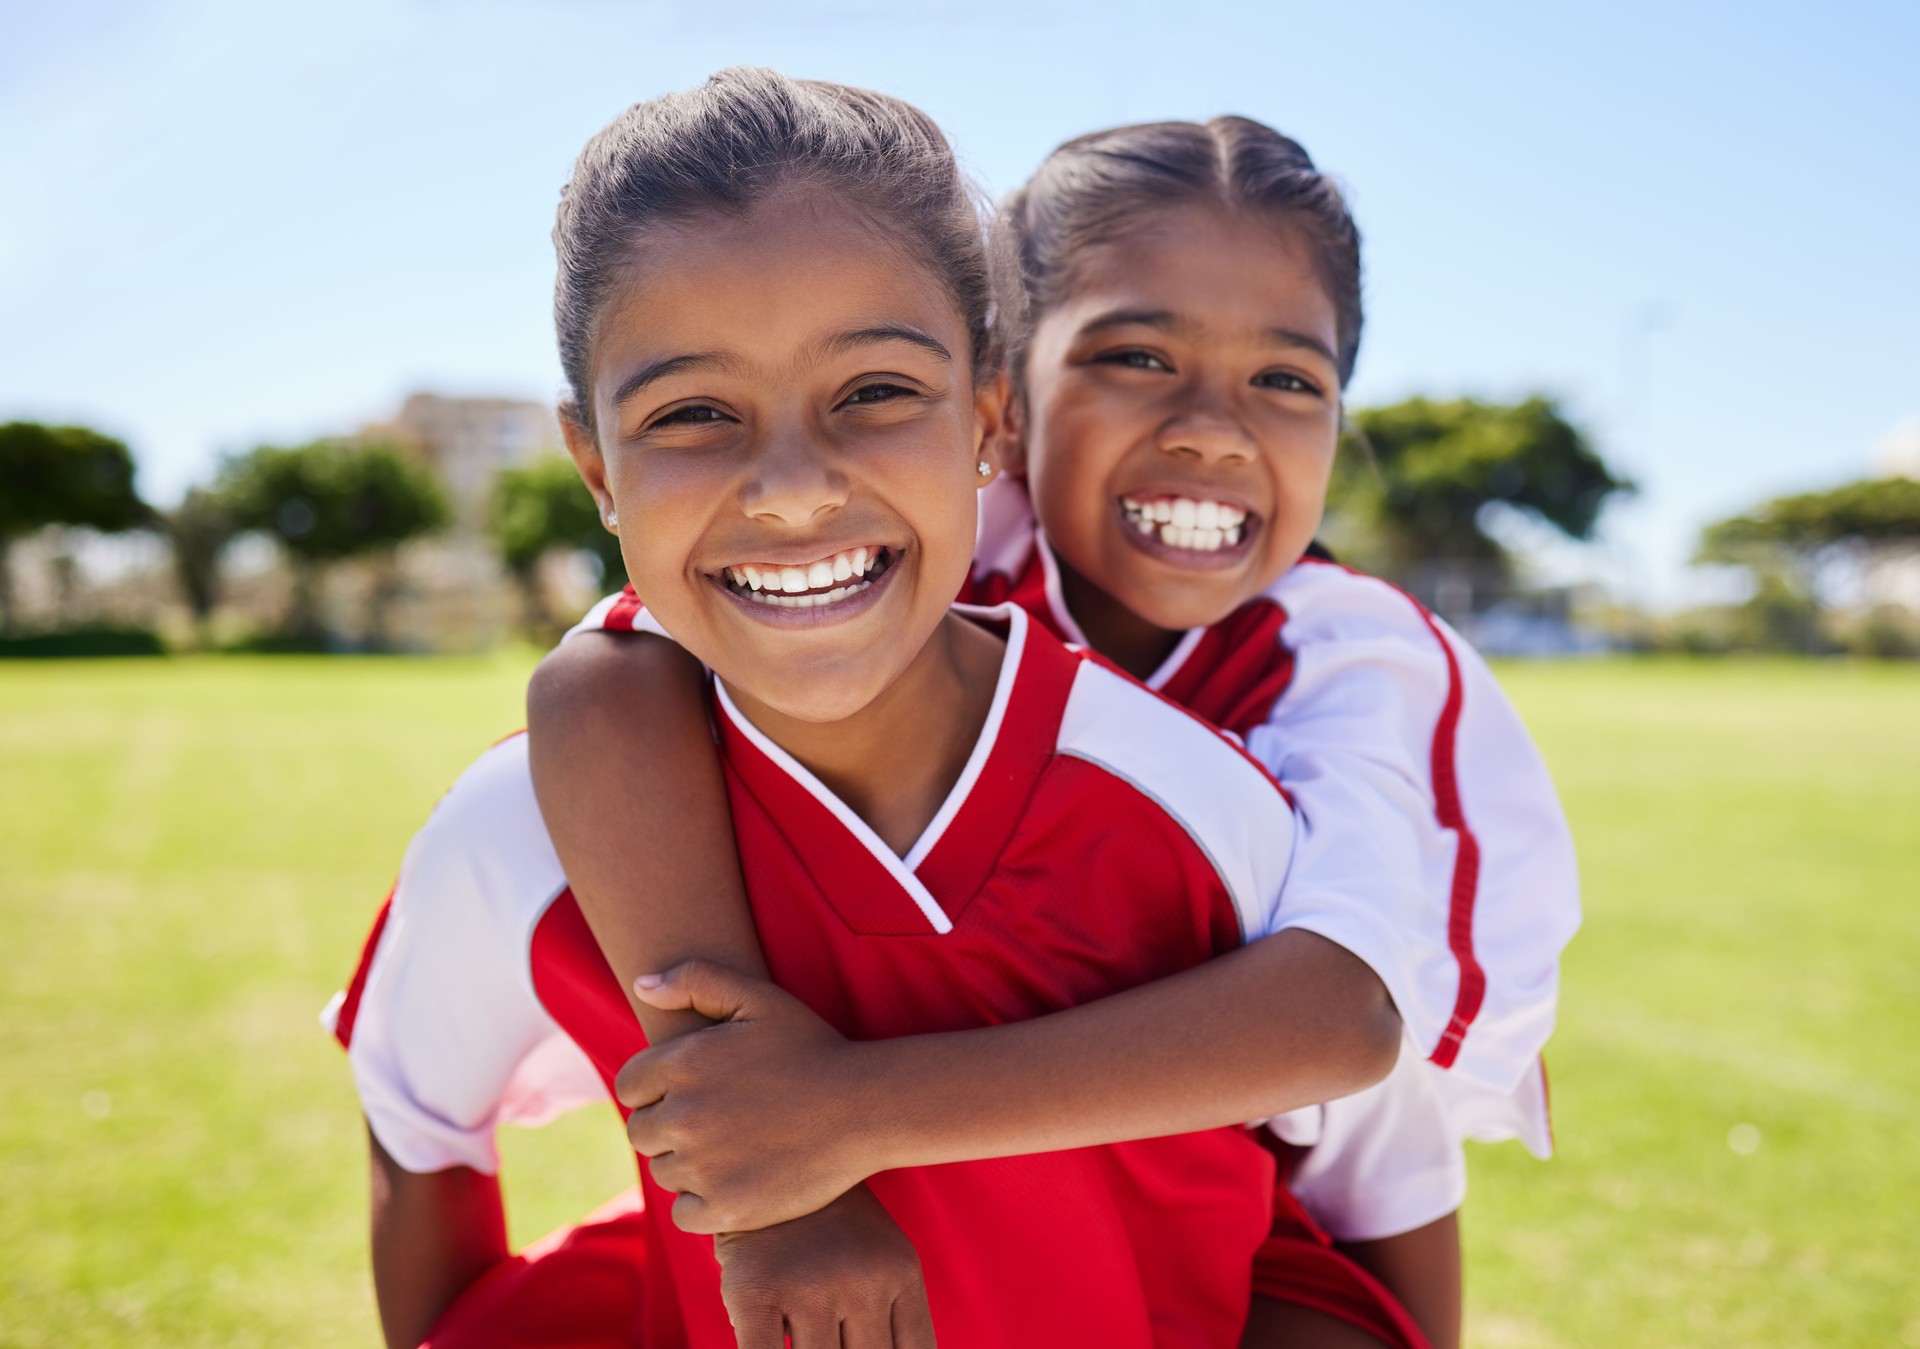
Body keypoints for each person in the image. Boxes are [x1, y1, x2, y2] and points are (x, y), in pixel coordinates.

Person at [330, 69, 1413, 1349]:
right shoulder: (525, 831)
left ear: (989, 418)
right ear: (593, 469)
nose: (791, 489)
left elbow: (1376, 1161)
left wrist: (832, 1120)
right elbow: (417, 1127)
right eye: (691, 414)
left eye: (877, 391)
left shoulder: (1202, 804)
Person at [529, 115, 1581, 1349]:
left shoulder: (1350, 658)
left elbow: (1344, 1020)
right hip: (982, 1196)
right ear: (1003, 411)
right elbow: (601, 677)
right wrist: (760, 1150)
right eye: (1136, 356)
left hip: (1278, 1207)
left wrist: (838, 1118)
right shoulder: (936, 542)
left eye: (1288, 378)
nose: (1212, 426)